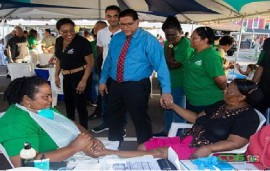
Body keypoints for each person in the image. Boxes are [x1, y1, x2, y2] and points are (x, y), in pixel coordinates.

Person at [94, 79, 263, 160]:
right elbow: (196, 118)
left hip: (204, 148)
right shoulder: (220, 105)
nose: (225, 91)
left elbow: (236, 143)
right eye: (227, 87)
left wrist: (209, 148)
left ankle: (108, 153)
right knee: (143, 146)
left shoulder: (248, 116)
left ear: (241, 97)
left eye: (230, 90)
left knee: (155, 154)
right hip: (188, 139)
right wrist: (173, 106)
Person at [99, 9, 173, 144]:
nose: (125, 28)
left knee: (140, 119)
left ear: (138, 22)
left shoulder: (149, 40)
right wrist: (103, 80)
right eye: (122, 24)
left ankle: (145, 149)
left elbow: (161, 66)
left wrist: (166, 91)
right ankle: (113, 149)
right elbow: (109, 61)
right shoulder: (116, 38)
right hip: (115, 84)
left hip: (137, 86)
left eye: (129, 24)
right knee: (114, 118)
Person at [0, 76, 104, 167]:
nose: (51, 100)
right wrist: (73, 148)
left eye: (50, 95)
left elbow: (71, 123)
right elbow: (26, 163)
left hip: (77, 152)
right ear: (27, 99)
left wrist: (91, 138)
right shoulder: (16, 123)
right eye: (45, 97)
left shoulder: (42, 109)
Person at [154, 16, 193, 136]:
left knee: (178, 111)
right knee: (167, 108)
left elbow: (173, 64)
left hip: (179, 83)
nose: (170, 38)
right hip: (166, 82)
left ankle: (178, 136)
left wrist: (170, 47)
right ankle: (167, 132)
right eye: (167, 35)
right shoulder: (167, 43)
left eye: (173, 35)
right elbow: (163, 62)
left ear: (180, 32)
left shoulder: (185, 44)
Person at [54, 18, 94, 129]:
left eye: (72, 30)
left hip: (80, 75)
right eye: (65, 32)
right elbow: (58, 59)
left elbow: (90, 63)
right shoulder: (58, 41)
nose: (69, 34)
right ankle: (71, 128)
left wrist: (84, 80)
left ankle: (84, 130)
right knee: (68, 103)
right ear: (59, 31)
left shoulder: (82, 42)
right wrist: (56, 75)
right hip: (66, 76)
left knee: (80, 105)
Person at [90, 5, 122, 133]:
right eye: (109, 16)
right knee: (105, 99)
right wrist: (100, 70)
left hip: (122, 72)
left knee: (121, 100)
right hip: (106, 72)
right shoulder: (101, 33)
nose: (112, 19)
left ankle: (120, 126)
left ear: (119, 16)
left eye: (115, 16)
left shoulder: (125, 31)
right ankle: (107, 123)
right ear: (105, 17)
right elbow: (100, 51)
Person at [183, 27, 227, 113]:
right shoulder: (195, 52)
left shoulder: (210, 55)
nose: (190, 39)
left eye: (194, 38)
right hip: (194, 99)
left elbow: (221, 80)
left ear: (205, 40)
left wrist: (223, 89)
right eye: (191, 37)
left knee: (201, 126)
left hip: (207, 101)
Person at [88, 21, 108, 114]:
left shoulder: (110, 39)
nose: (94, 29)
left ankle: (102, 110)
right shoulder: (93, 42)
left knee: (101, 87)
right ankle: (98, 107)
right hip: (97, 66)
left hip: (105, 67)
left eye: (96, 27)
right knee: (97, 85)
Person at [253, 37, 270, 115]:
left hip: (265, 89)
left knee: (260, 113)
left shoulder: (266, 49)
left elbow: (260, 69)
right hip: (265, 89)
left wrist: (250, 86)